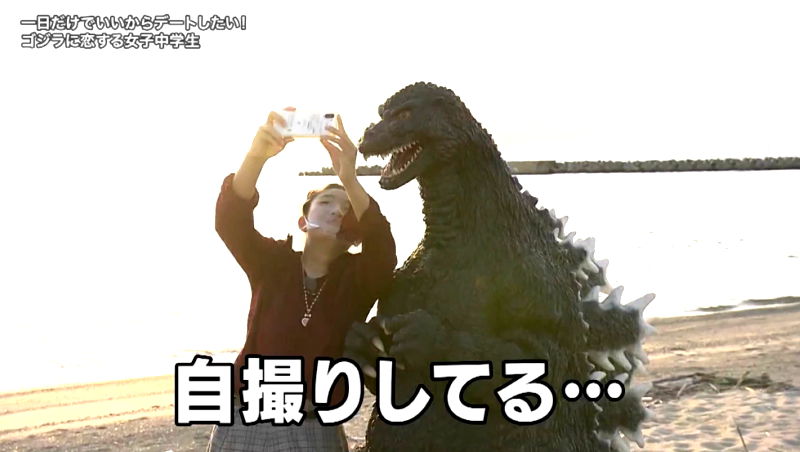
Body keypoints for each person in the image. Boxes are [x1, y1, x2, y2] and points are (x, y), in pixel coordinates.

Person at [208, 109, 397, 451]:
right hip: (243, 417)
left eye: (346, 209)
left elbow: (382, 245)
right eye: (326, 202)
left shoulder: (357, 280)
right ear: (303, 222)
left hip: (313, 426)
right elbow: (230, 219)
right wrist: (256, 156)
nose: (337, 210)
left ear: (355, 234)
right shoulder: (272, 263)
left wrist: (349, 176)